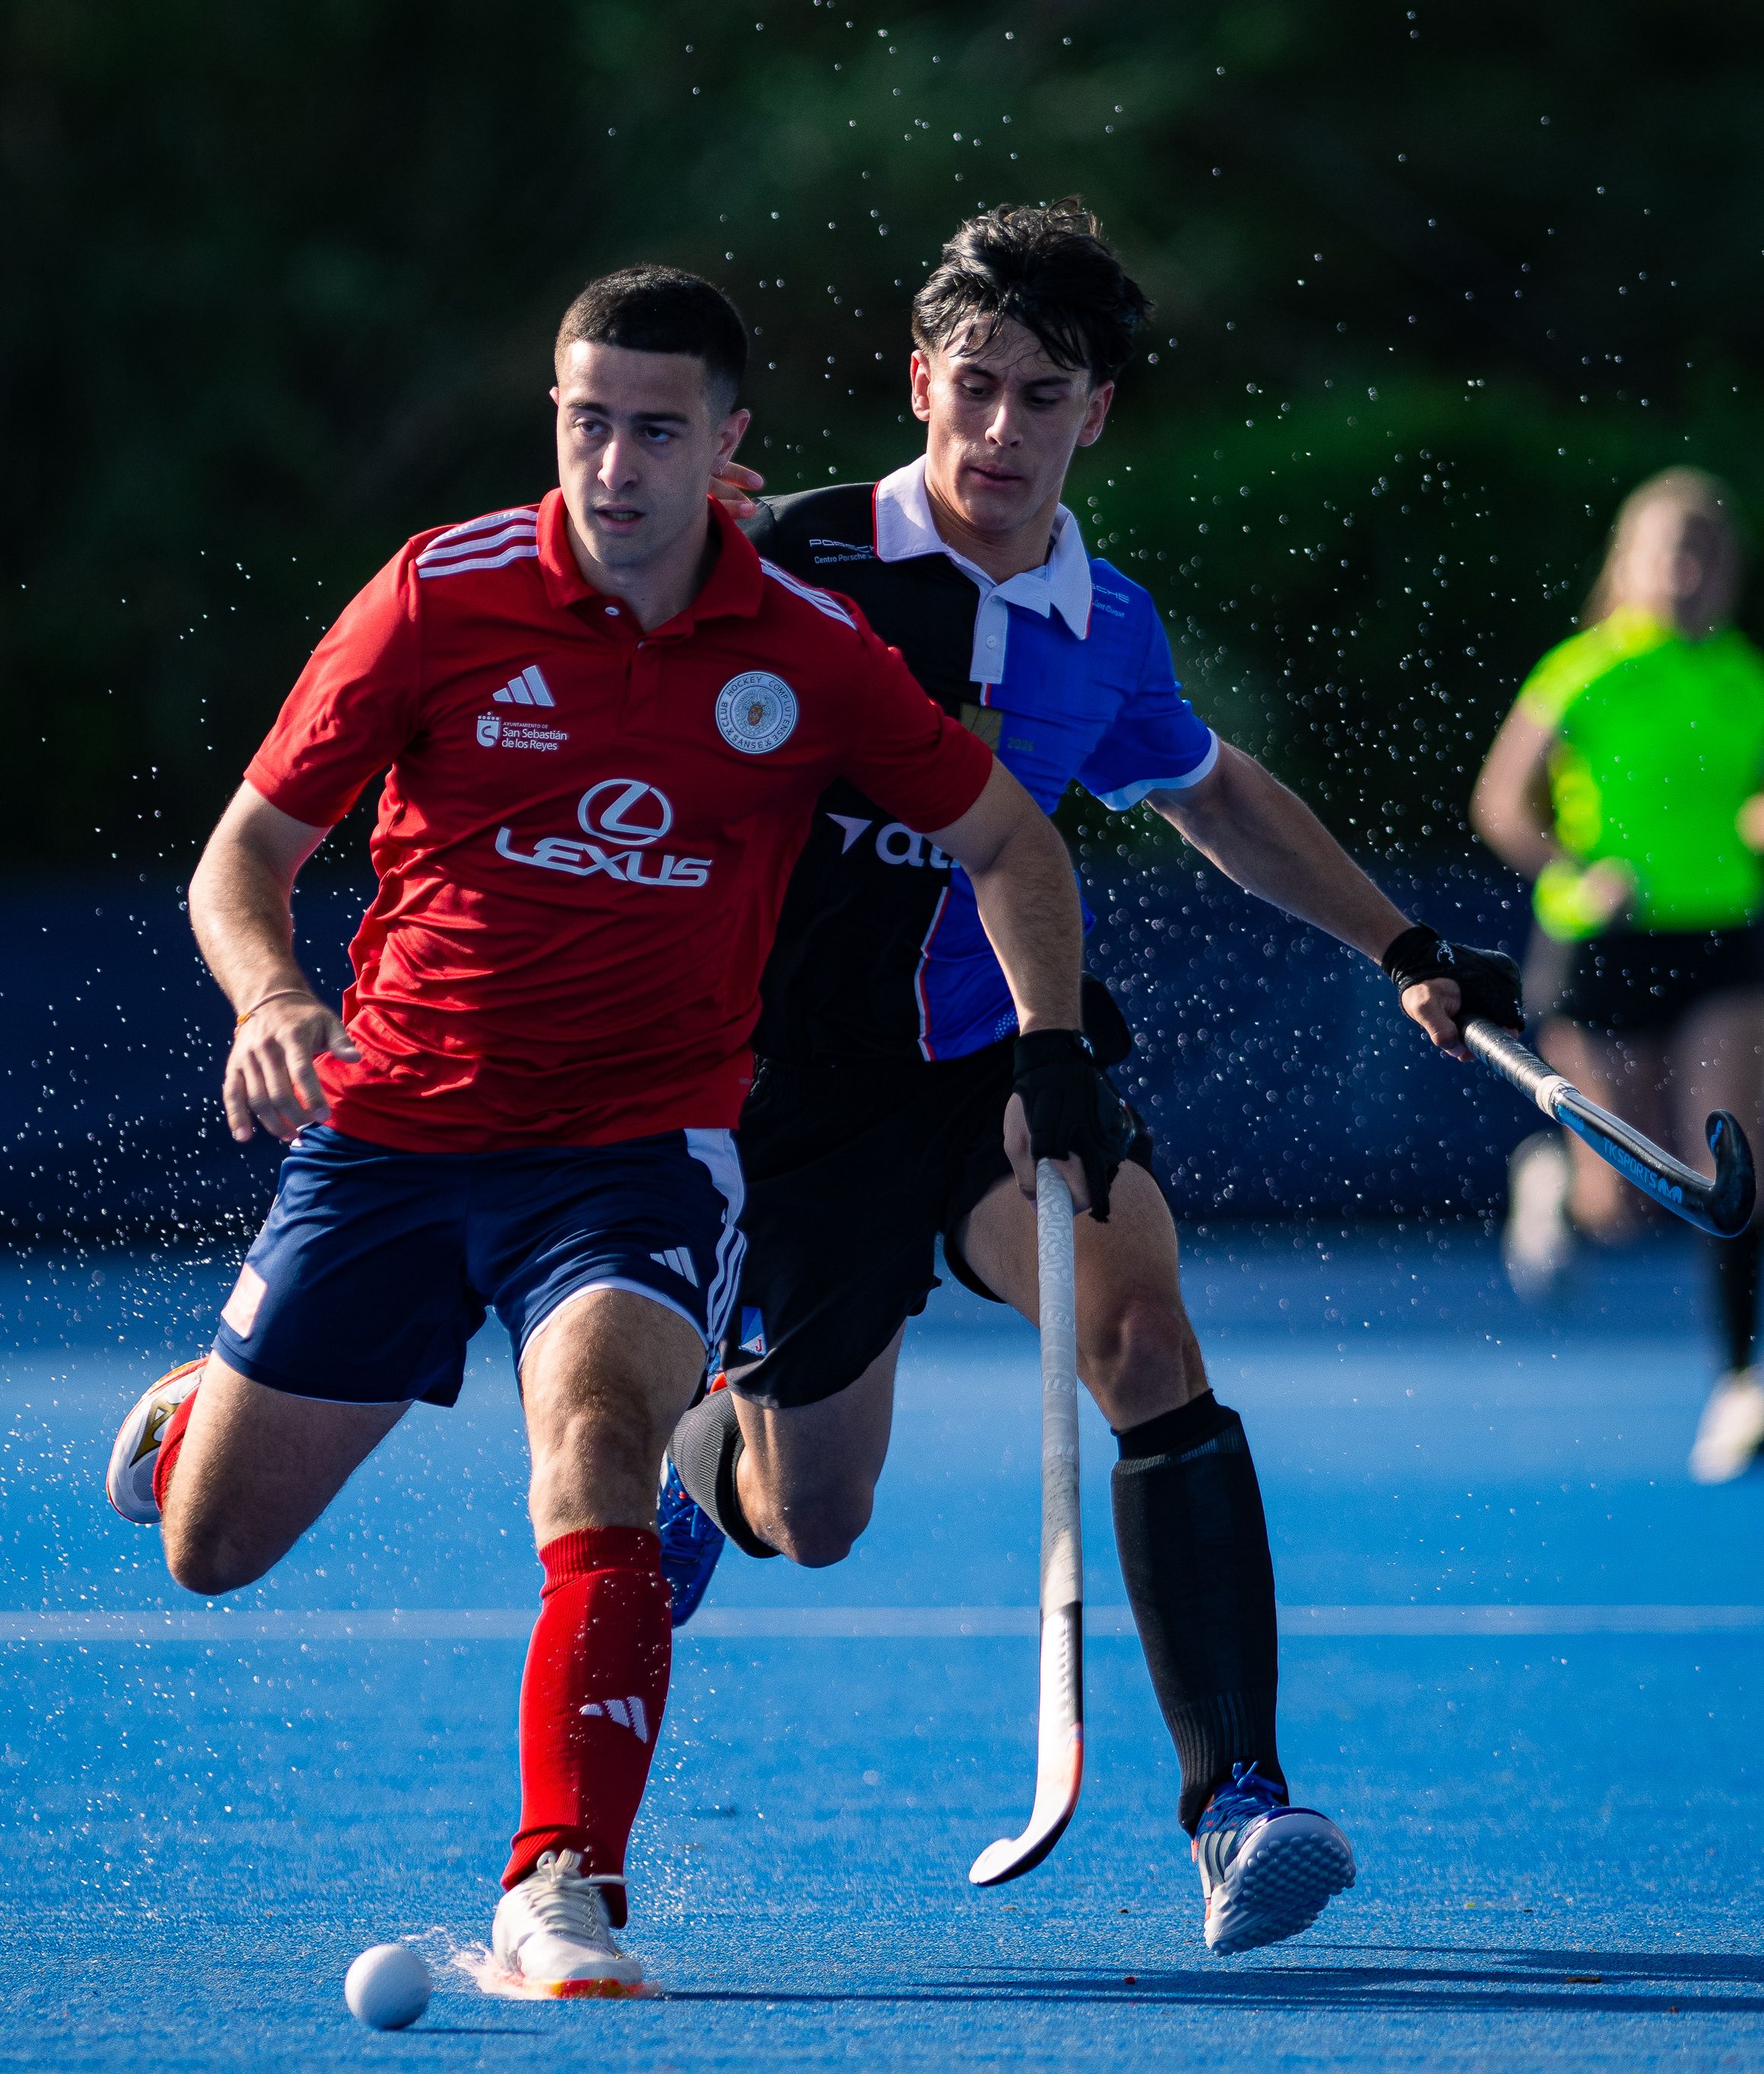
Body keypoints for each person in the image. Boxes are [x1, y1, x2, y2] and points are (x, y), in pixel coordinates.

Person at [102, 264, 1112, 1997]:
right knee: (212, 1549)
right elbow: (244, 859)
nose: (614, 465)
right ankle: (214, 1406)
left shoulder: (808, 653)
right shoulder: (436, 598)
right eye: (586, 424)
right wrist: (275, 1002)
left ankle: (561, 1879)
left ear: (729, 446)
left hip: (640, 1150)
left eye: (655, 429)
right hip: (396, 1136)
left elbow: (1012, 842)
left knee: (595, 1450)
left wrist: (1051, 1048)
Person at [657, 199, 1524, 1955]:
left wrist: (1403, 949)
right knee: (812, 1517)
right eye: (969, 388)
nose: (996, 432)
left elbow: (1210, 793)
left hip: (1005, 1065)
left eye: (1039, 397)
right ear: (917, 381)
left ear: (1094, 412)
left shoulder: (1100, 622)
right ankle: (701, 1468)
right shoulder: (785, 563)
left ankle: (1239, 1805)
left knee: (1143, 1338)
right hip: (791, 1102)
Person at [1473, 468, 1764, 1482]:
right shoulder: (1582, 672)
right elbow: (1501, 805)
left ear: (1723, 572)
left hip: (1720, 940)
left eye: (1701, 557)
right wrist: (1572, 871)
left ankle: (1737, 1383)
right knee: (1623, 1204)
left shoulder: (1742, 676)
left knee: (1733, 1166)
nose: (1682, 576)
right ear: (1629, 566)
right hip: (1601, 950)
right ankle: (1554, 1177)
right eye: (1664, 556)